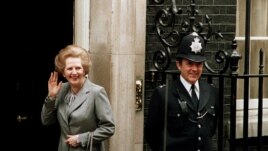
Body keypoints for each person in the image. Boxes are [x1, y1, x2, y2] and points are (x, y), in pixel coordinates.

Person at [145, 32, 219, 151]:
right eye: (189, 63)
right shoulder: (163, 94)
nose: (194, 69)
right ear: (179, 65)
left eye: (198, 64)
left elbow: (211, 130)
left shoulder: (212, 92)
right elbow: (151, 134)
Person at [41, 45, 115, 151]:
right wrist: (51, 97)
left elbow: (109, 128)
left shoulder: (96, 92)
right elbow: (46, 121)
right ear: (64, 73)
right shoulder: (61, 90)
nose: (74, 72)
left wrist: (81, 138)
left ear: (84, 70)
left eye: (78, 68)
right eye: (70, 68)